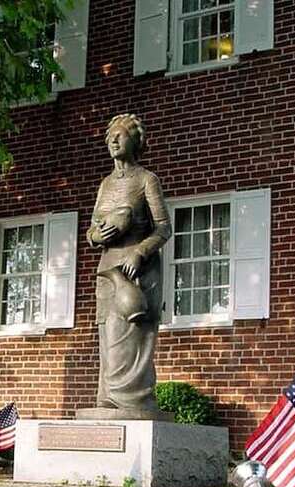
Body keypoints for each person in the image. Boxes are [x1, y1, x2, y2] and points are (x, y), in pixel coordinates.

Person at [86, 114, 172, 411]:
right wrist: (96, 236)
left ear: (134, 141)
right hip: (108, 268)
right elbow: (92, 229)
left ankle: (133, 400)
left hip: (137, 269)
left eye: (119, 135)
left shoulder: (147, 180)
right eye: (110, 136)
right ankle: (108, 397)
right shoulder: (105, 184)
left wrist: (140, 252)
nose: (113, 140)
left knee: (131, 335)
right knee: (108, 334)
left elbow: (164, 228)